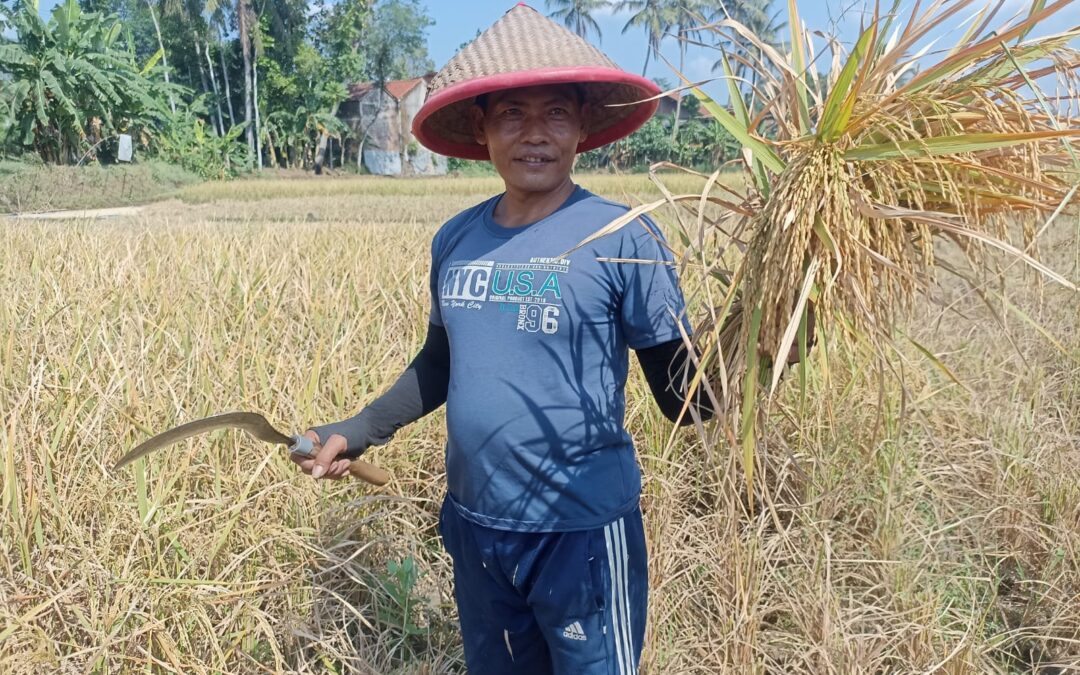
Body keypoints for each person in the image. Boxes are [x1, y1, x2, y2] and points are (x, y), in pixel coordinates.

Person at [291, 5, 735, 674]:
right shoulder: (457, 240)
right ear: (481, 125)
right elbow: (443, 363)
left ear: (584, 125)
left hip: (580, 533)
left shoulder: (625, 238)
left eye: (556, 113)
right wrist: (359, 427)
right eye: (512, 115)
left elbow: (685, 400)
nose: (535, 135)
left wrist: (767, 341)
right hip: (477, 528)